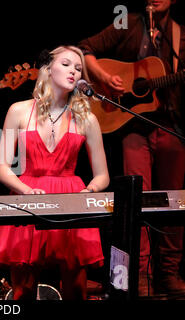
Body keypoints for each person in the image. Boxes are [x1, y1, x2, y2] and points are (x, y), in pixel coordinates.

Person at [78, 0, 185, 296]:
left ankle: (169, 273)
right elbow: (84, 48)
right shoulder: (129, 22)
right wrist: (101, 76)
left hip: (171, 126)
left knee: (174, 203)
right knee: (135, 203)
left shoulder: (180, 35)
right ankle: (138, 276)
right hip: (133, 128)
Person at [0, 46, 110, 300]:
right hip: (28, 196)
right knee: (23, 291)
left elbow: (102, 175)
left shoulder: (87, 117)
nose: (73, 71)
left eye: (78, 68)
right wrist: (26, 191)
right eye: (66, 64)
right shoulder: (18, 110)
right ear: (47, 69)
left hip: (72, 202)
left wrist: (89, 191)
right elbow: (2, 167)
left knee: (76, 290)